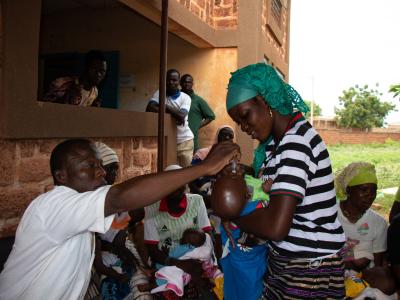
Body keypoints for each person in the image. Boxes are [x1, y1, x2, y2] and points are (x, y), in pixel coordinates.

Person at [0, 138, 238, 299]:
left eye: (101, 165)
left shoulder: (77, 211)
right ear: (61, 175)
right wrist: (202, 168)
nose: (101, 172)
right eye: (90, 165)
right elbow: (119, 197)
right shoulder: (55, 205)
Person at [225, 63, 346, 299]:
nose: (244, 127)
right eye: (238, 122)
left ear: (265, 100)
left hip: (310, 272)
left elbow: (275, 227)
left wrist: (232, 216)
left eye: (245, 115)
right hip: (288, 263)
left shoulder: (296, 142)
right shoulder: (274, 145)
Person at [143, 164, 213, 297]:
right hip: (165, 260)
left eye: (180, 182)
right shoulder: (152, 208)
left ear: (185, 185)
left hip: (195, 257)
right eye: (171, 183)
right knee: (168, 286)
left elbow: (207, 235)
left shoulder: (197, 201)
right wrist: (179, 263)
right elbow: (152, 249)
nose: (176, 186)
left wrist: (200, 259)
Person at [211, 163, 269, 300]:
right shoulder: (260, 205)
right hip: (245, 265)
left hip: (245, 265)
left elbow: (222, 242)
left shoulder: (226, 209)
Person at [335, 162, 388, 271]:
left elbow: (377, 264)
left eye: (374, 191)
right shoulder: (330, 215)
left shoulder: (378, 222)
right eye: (364, 190)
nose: (370, 196)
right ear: (348, 190)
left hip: (365, 276)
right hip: (333, 272)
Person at [146, 69, 194, 167]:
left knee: (185, 174)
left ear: (179, 82)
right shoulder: (160, 93)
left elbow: (181, 116)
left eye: (174, 80)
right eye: (168, 80)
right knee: (169, 172)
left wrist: (163, 105)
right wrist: (174, 112)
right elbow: (149, 108)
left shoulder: (185, 98)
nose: (170, 82)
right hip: (166, 142)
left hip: (184, 141)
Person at [43, 50, 107, 107]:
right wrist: (66, 98)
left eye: (102, 71)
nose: (98, 74)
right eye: (94, 69)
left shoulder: (95, 92)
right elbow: (42, 108)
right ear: (86, 67)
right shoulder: (61, 84)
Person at [190, 125, 235, 205]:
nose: (227, 138)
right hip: (201, 199)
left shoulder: (232, 158)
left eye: (230, 136)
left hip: (221, 201)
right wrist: (203, 197)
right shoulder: (202, 154)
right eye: (223, 135)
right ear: (217, 137)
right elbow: (191, 181)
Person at [181, 74, 216, 152]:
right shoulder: (177, 98)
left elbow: (211, 116)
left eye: (189, 82)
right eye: (184, 82)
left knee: (190, 163)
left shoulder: (198, 100)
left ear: (192, 84)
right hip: (175, 138)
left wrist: (197, 126)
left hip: (191, 140)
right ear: (180, 83)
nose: (187, 84)